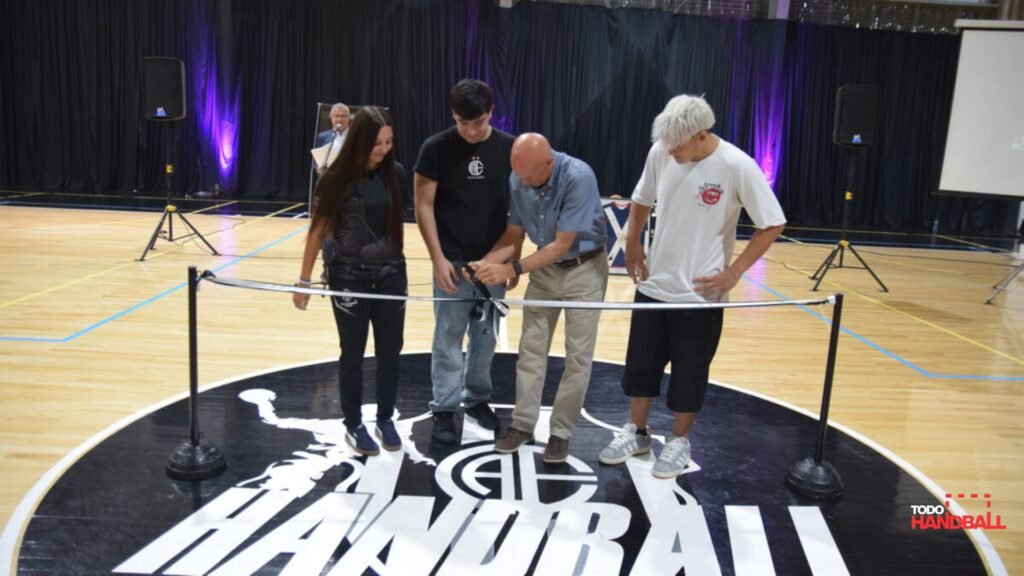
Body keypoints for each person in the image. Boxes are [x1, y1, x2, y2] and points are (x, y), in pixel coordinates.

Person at [597, 94, 786, 478]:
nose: (672, 151)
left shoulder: (737, 165)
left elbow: (772, 223)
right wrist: (633, 243)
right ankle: (637, 432)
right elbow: (640, 200)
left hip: (701, 295)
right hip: (653, 285)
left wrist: (734, 273)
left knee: (690, 372)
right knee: (640, 367)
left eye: (678, 145)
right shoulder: (661, 152)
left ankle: (679, 441)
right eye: (667, 144)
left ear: (701, 134)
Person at [471, 133, 609, 464]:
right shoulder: (520, 175)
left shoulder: (579, 176)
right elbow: (515, 234)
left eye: (530, 176)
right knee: (530, 350)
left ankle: (561, 433)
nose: (523, 183)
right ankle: (522, 425)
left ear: (548, 162)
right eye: (517, 174)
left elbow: (561, 245)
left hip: (584, 269)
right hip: (544, 270)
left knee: (577, 358)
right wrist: (489, 261)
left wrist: (515, 268)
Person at [294, 106, 409, 457]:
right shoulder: (335, 179)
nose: (384, 149)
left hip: (391, 276)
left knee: (390, 352)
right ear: (360, 140)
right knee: (353, 354)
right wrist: (305, 279)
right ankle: (353, 423)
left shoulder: (396, 174)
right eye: (377, 143)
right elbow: (317, 231)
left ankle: (385, 417)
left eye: (389, 142)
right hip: (348, 278)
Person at [414, 79, 515, 444]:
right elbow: (423, 205)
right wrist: (437, 258)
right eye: (463, 123)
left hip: (493, 264)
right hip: (452, 262)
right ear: (452, 116)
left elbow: (516, 212)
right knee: (448, 338)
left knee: (486, 339)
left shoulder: (508, 148)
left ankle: (477, 399)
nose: (472, 131)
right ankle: (444, 406)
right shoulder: (436, 148)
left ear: (491, 113)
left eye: (480, 122)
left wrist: (509, 260)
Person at [315, 103, 352, 175]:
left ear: (348, 118)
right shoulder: (322, 137)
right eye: (336, 116)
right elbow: (316, 161)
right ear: (331, 117)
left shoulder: (355, 135)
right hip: (329, 178)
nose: (339, 119)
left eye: (343, 116)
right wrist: (319, 169)